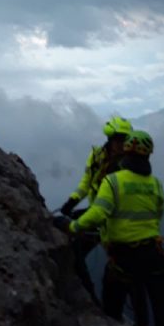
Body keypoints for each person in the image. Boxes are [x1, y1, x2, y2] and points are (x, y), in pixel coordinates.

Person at [68, 129, 164, 326]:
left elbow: (98, 214)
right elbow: (157, 215)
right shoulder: (155, 184)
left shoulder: (113, 182)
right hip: (154, 257)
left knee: (111, 308)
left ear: (126, 153)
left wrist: (71, 227)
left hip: (123, 259)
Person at [56, 116, 134, 308]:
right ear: (110, 140)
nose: (122, 144)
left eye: (124, 140)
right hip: (98, 212)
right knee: (76, 249)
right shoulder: (97, 157)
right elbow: (86, 183)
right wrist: (72, 200)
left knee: (78, 251)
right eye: (118, 139)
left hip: (110, 218)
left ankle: (91, 298)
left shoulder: (128, 165)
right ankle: (92, 297)